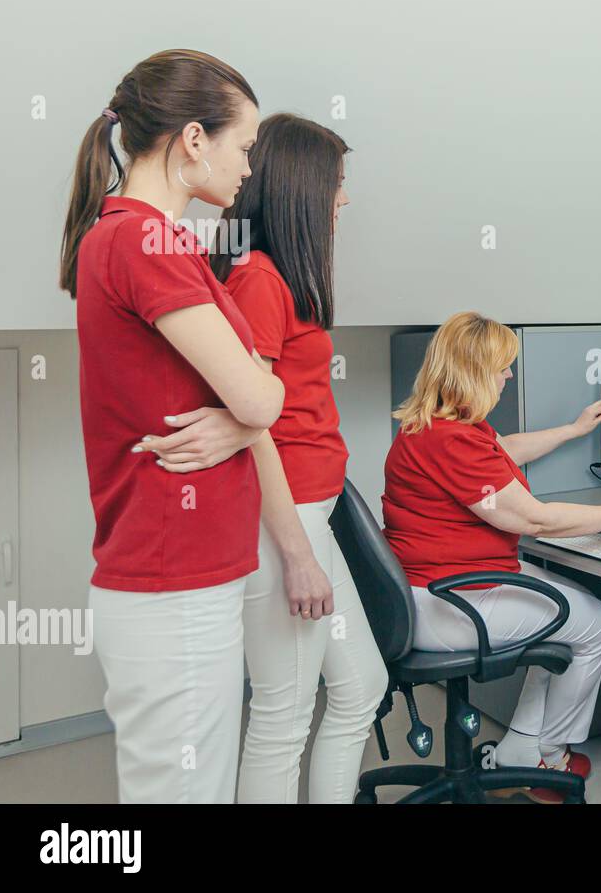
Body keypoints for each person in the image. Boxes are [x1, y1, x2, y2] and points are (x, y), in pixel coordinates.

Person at [62, 49, 282, 803]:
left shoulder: (152, 240)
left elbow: (255, 391)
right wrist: (250, 414)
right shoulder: (141, 241)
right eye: (244, 146)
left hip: (180, 576)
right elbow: (260, 398)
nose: (249, 167)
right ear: (194, 139)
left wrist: (247, 411)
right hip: (171, 579)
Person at [383, 311, 601, 802]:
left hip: (435, 588)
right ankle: (549, 753)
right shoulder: (453, 440)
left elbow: (504, 450)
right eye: (501, 367)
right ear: (474, 373)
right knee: (600, 623)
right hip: (454, 604)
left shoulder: (434, 426)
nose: (508, 376)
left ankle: (521, 748)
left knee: (573, 603)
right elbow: (535, 520)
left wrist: (572, 429)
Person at [204, 113, 388, 803]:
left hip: (313, 511)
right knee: (281, 717)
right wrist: (298, 555)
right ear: (302, 187)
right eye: (336, 184)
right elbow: (251, 426)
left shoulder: (281, 276)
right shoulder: (258, 279)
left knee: (361, 686)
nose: (343, 200)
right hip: (284, 523)